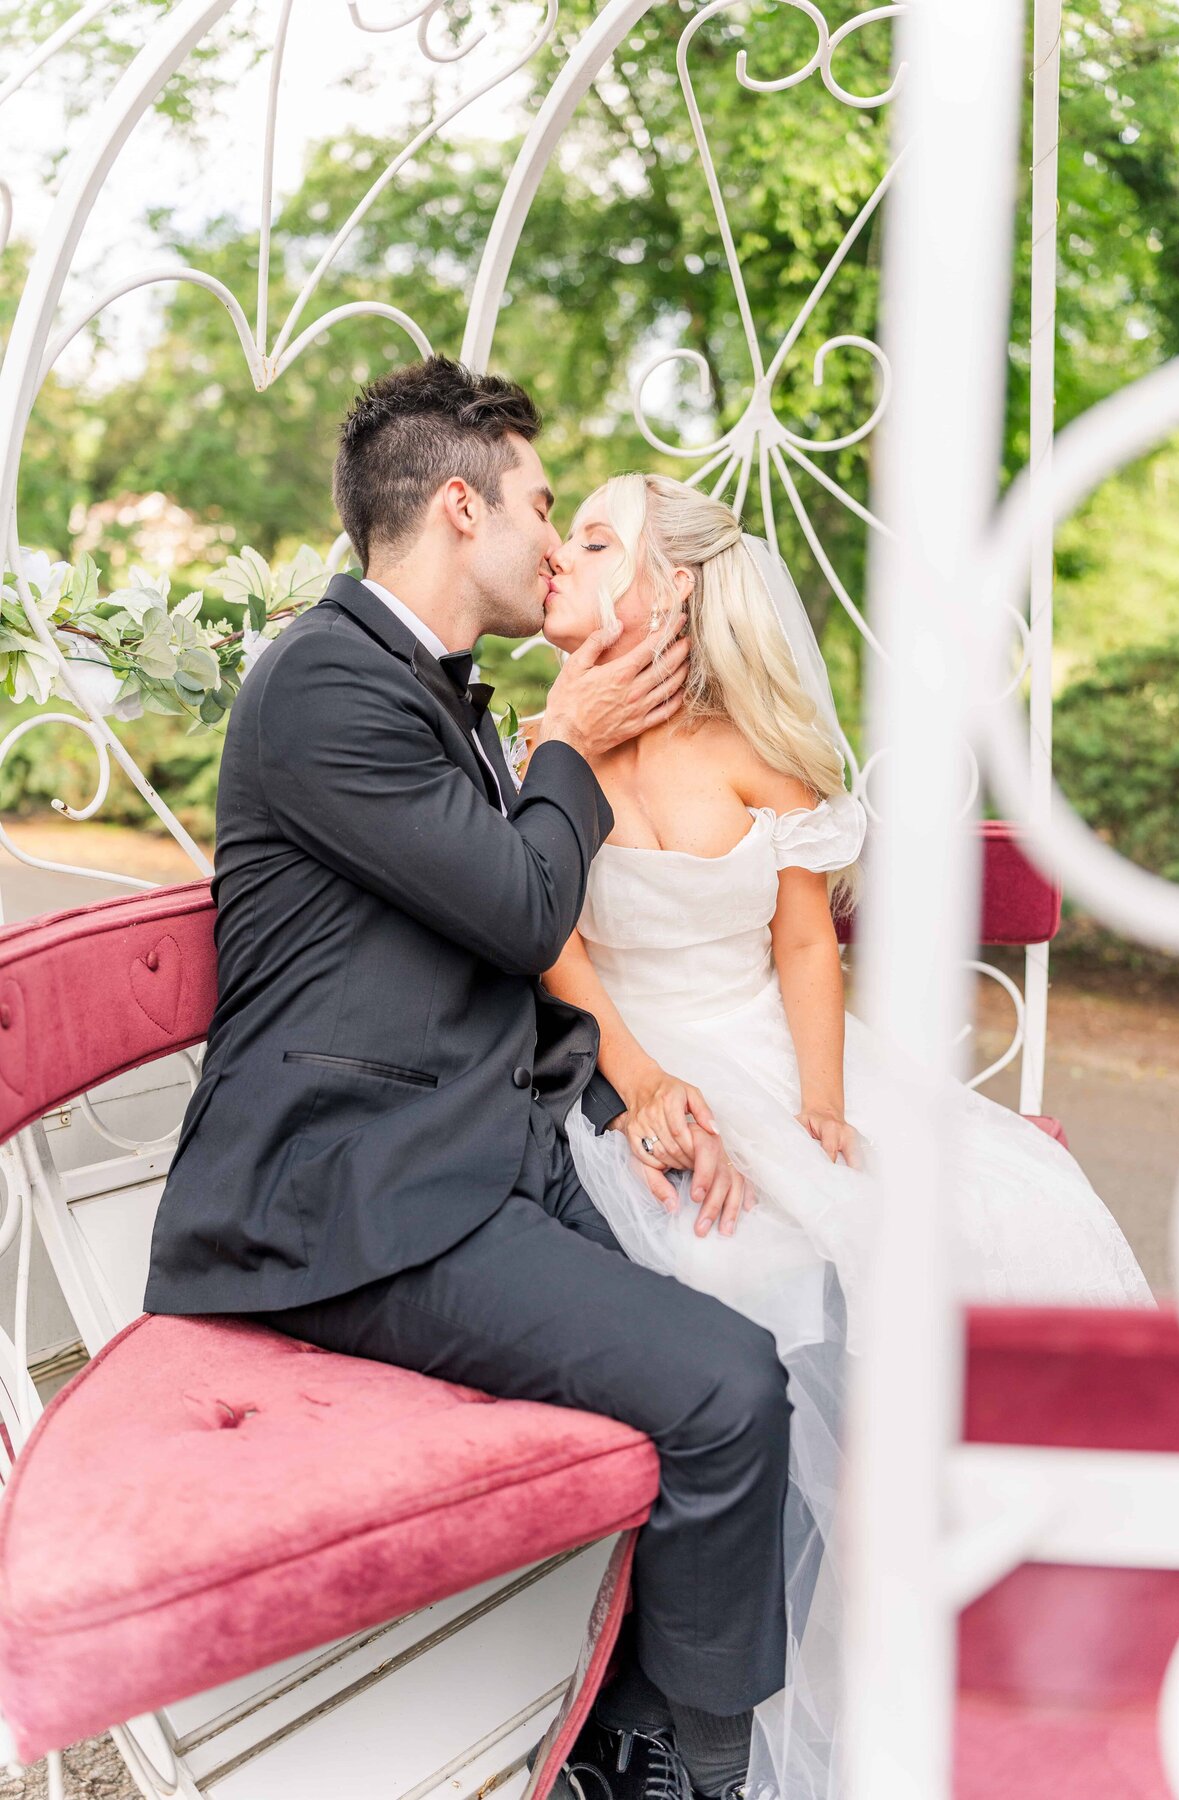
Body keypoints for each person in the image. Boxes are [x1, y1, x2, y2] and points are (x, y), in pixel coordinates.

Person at [143, 358, 793, 1800]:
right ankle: (676, 1774)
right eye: (541, 506)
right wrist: (566, 737)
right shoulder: (322, 681)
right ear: (458, 505)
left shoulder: (410, 686)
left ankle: (619, 1734)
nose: (555, 541)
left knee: (745, 1330)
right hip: (345, 1198)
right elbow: (518, 907)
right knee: (733, 1390)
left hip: (472, 1154)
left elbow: (497, 945)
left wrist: (629, 1090)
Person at [536, 469, 1155, 1799]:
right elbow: (560, 948)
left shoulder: (749, 746)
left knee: (996, 1212)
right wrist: (644, 1083)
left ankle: (955, 1588)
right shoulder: (550, 747)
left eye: (594, 540)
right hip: (644, 1063)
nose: (557, 557)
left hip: (771, 1045)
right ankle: (690, 1664)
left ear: (675, 581)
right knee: (744, 1264)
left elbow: (805, 940)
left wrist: (822, 1094)